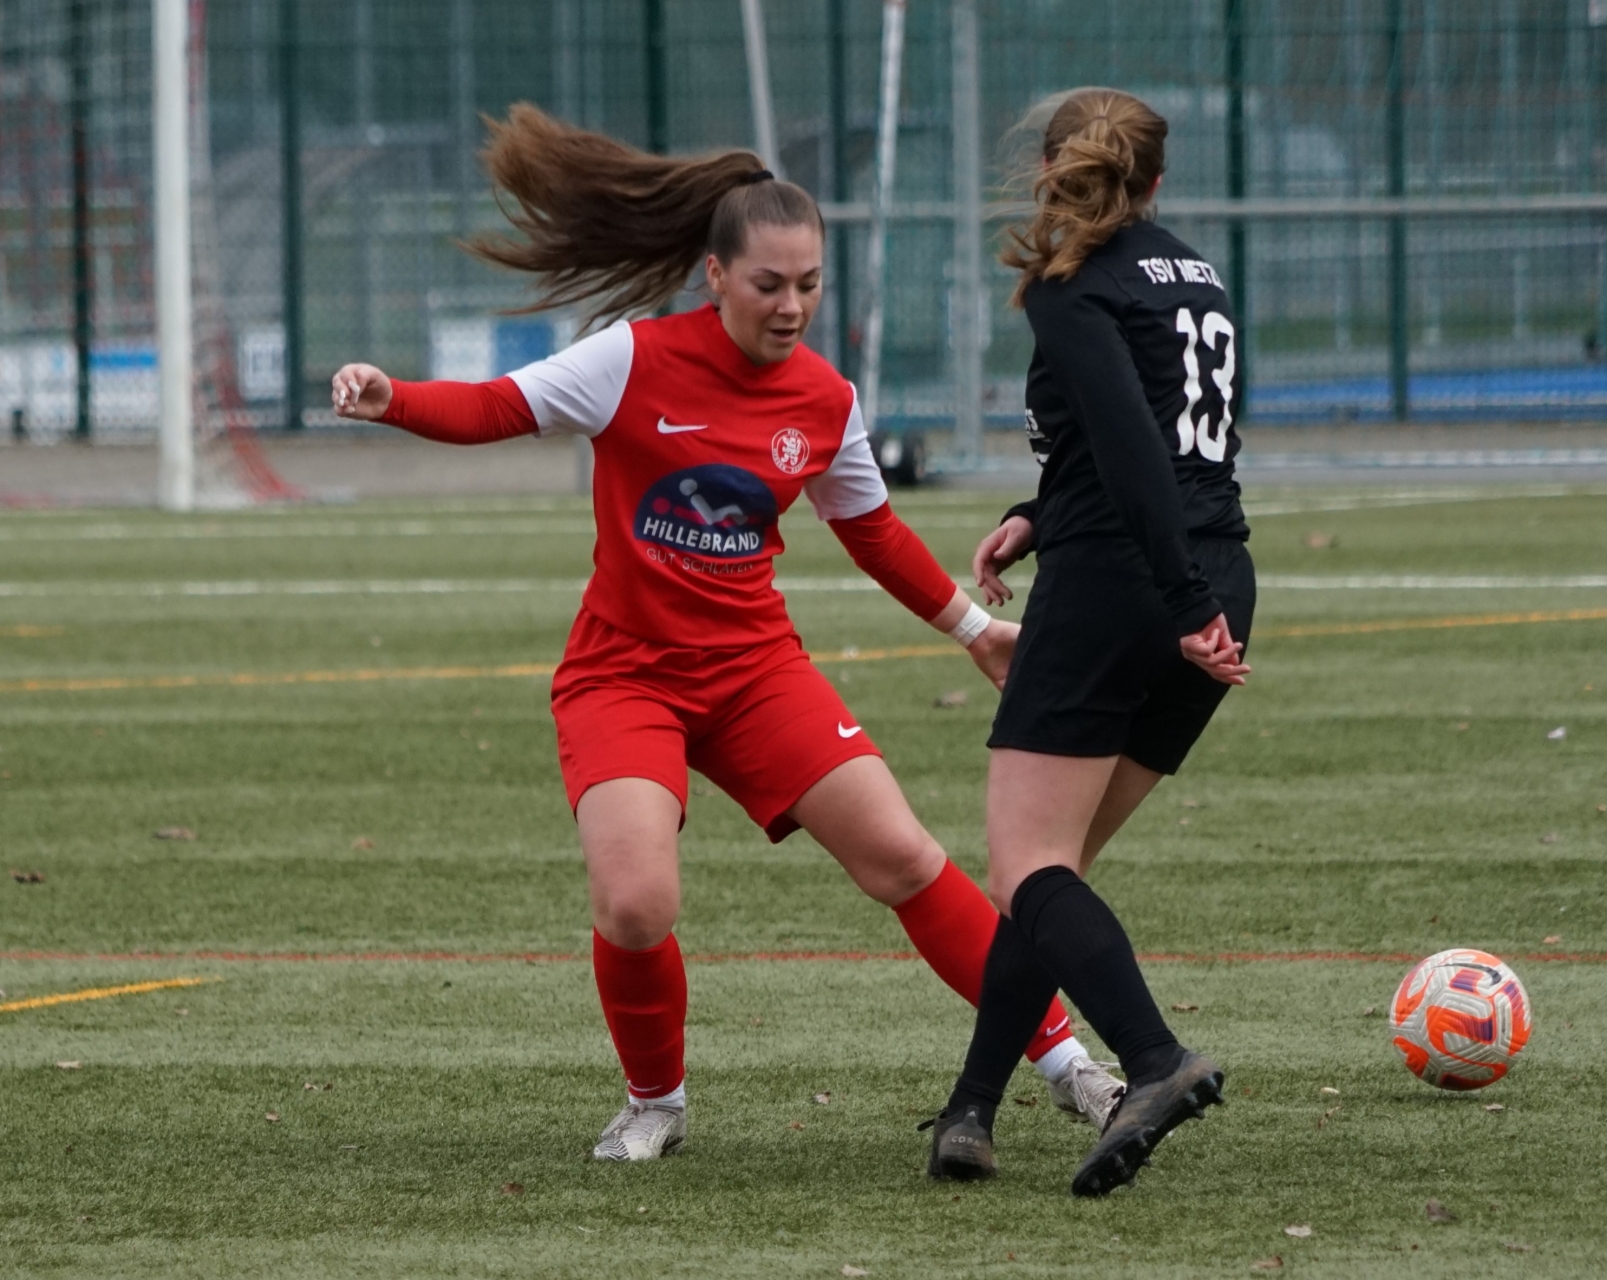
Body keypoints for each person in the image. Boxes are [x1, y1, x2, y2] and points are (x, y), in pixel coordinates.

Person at [329, 104, 1122, 1163]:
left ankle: (1071, 1065)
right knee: (635, 900)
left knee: (901, 854)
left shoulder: (825, 399)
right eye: (768, 285)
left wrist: (974, 626)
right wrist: (392, 399)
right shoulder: (631, 360)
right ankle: (656, 1099)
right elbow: (491, 407)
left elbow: (872, 532)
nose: (792, 306)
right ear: (714, 277)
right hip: (624, 677)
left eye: (809, 285)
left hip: (755, 673)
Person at [921, 88, 1255, 1197]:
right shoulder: (1197, 275)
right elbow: (1160, 443)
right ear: (1158, 183)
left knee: (1027, 866)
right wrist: (1038, 509)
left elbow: (1129, 451)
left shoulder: (1071, 287)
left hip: (1131, 587)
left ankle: (1155, 1060)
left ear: (1054, 173)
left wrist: (1172, 597)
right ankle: (970, 1108)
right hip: (1219, 575)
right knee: (1049, 878)